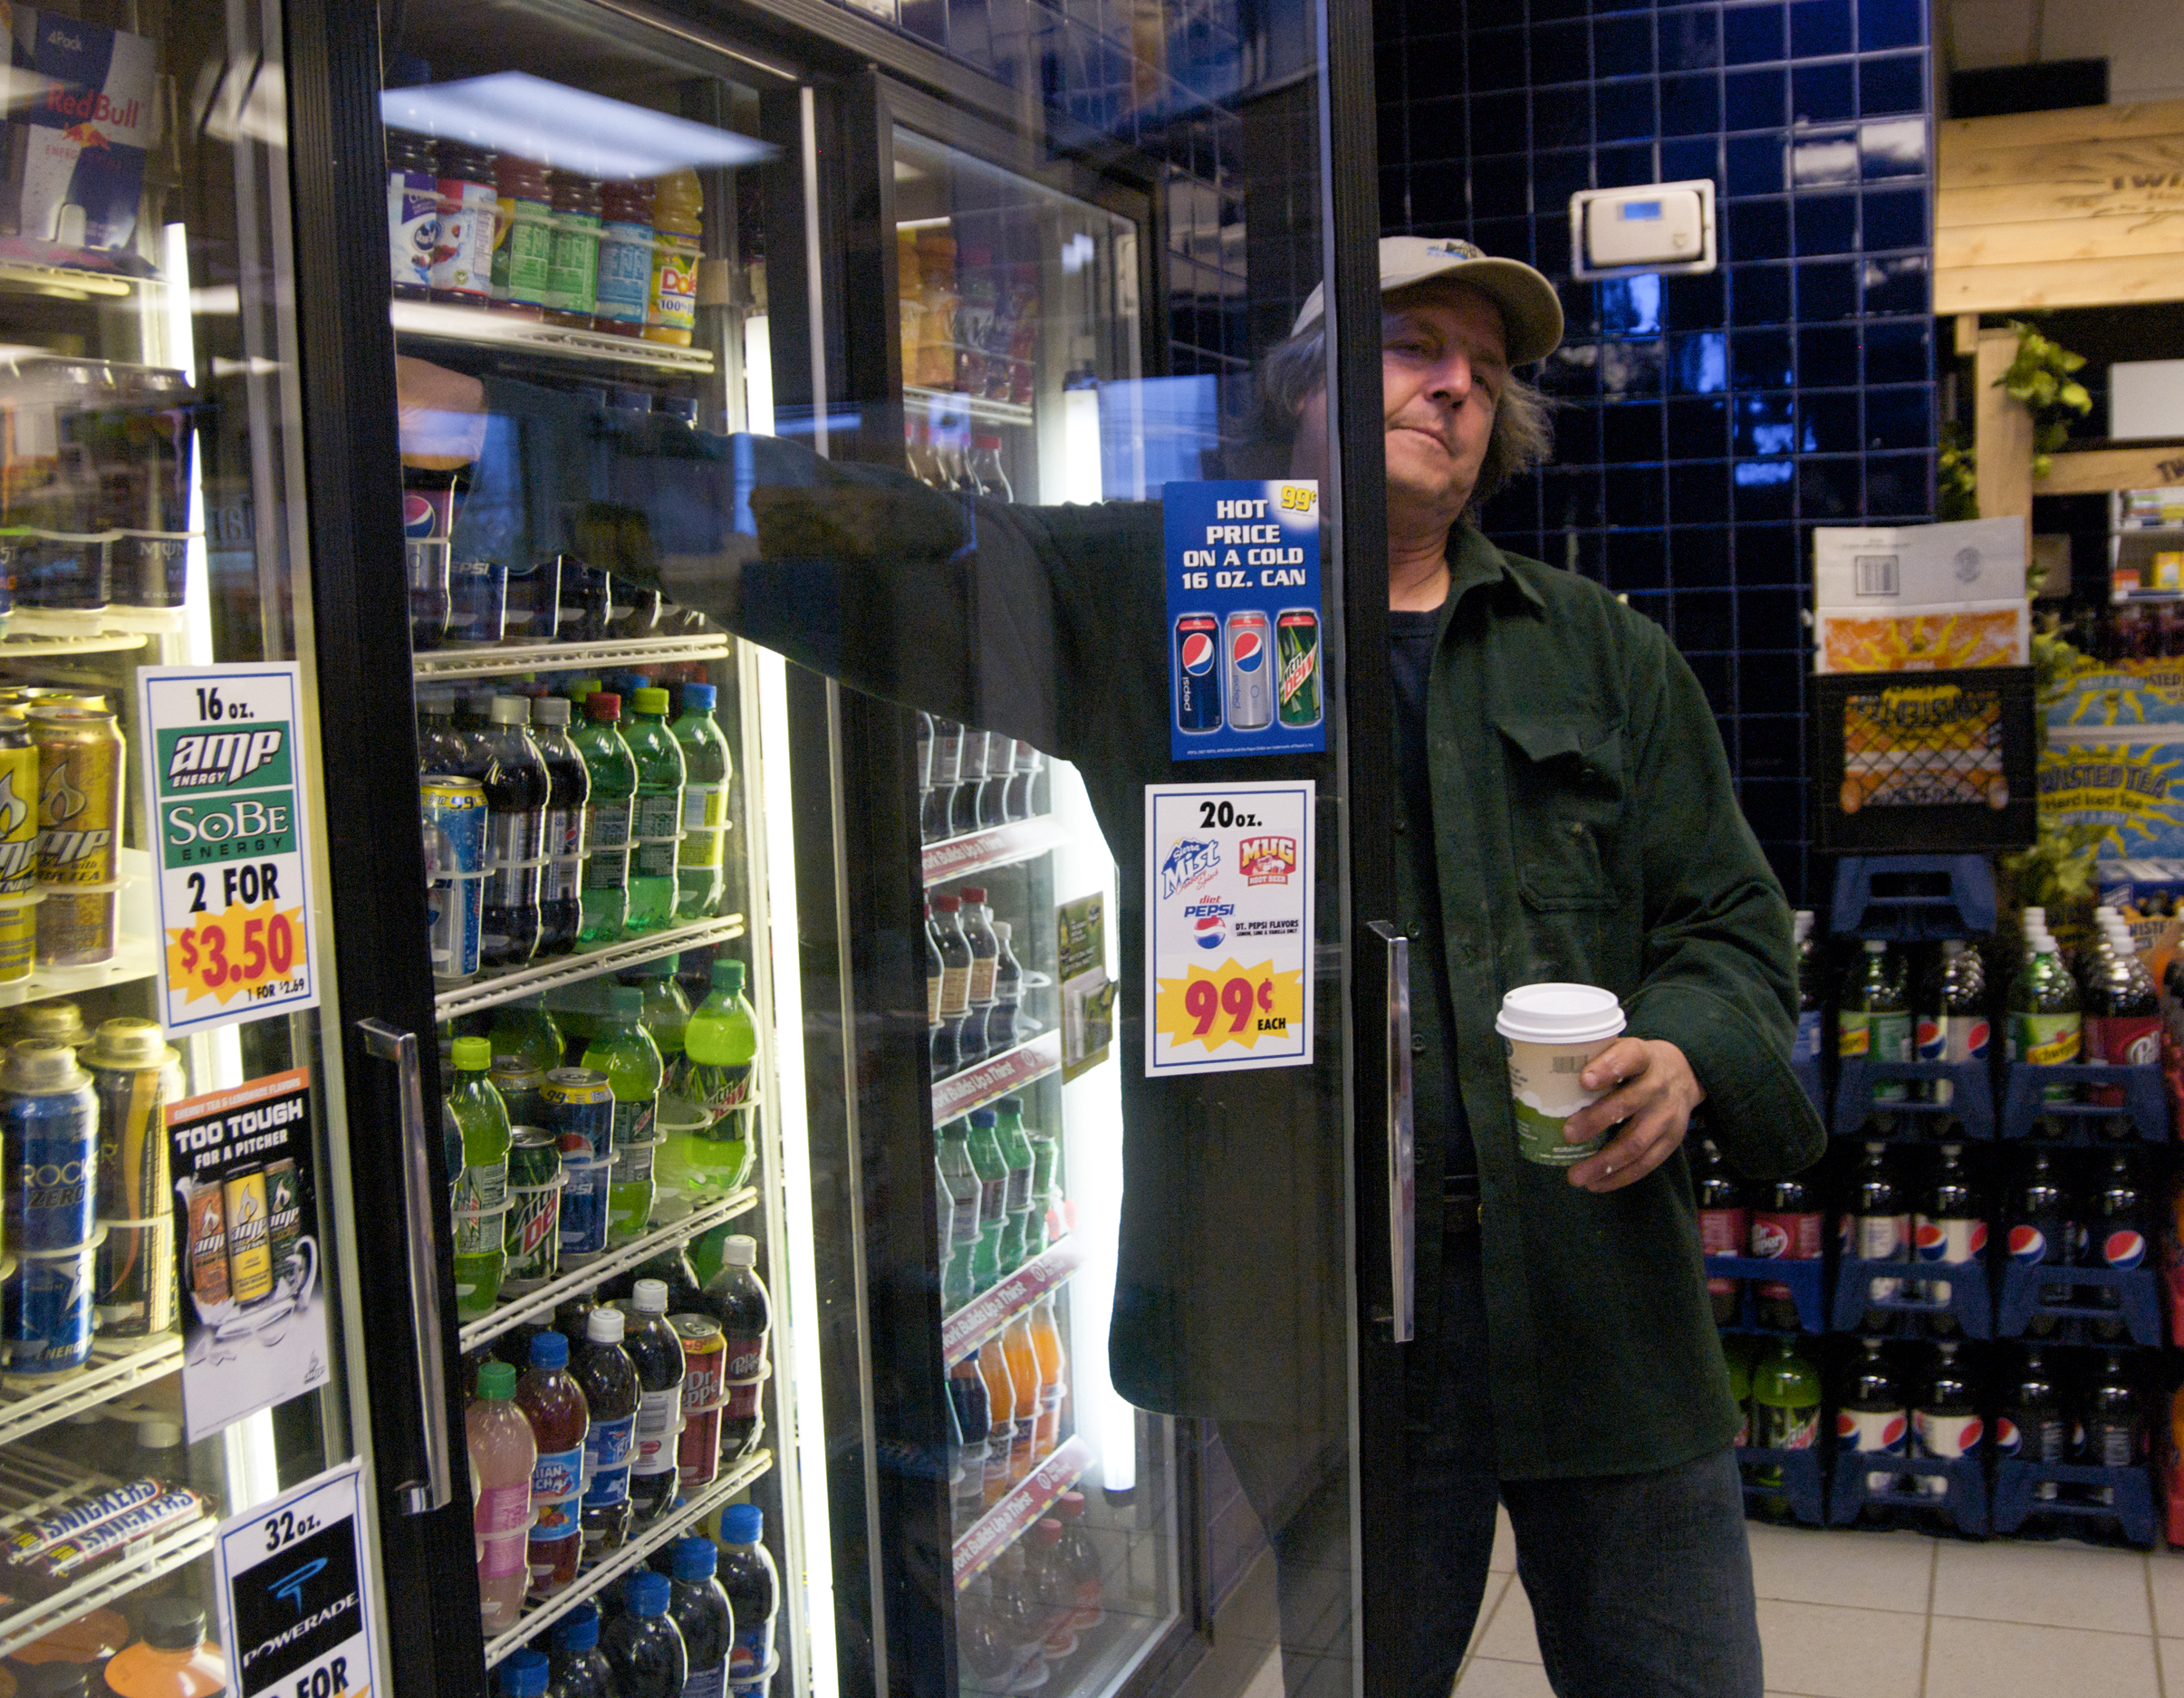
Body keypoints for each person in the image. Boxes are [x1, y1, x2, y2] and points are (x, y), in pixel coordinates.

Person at [399, 235, 1822, 1698]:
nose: (1455, 384)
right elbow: (871, 546)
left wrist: (1690, 1047)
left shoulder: (1599, 655)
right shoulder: (1174, 598)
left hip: (1599, 1297)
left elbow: (1725, 920)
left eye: (1484, 366)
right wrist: (515, 434)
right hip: (1327, 1319)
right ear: (1307, 387)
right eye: (1412, 346)